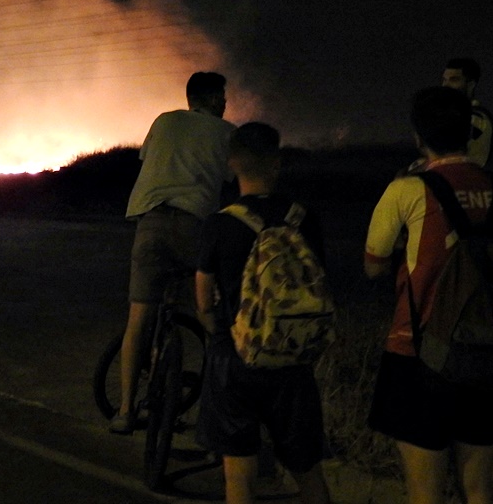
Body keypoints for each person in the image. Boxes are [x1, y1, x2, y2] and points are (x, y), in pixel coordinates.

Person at [365, 86, 493, 504]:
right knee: (479, 488)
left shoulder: (406, 189)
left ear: (418, 137)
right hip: (485, 350)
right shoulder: (490, 185)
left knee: (425, 493)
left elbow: (373, 264)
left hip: (418, 349)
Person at [194, 122, 331, 504]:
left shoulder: (220, 223)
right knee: (307, 470)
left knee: (239, 476)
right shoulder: (304, 218)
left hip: (236, 358)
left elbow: (204, 299)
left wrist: (220, 335)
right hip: (291, 359)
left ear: (232, 163)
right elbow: (319, 284)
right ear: (277, 163)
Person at [110, 71, 236, 434]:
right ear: (212, 100)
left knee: (140, 318)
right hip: (194, 226)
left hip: (150, 223)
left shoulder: (164, 121)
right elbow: (230, 180)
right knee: (211, 315)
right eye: (222, 97)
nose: (225, 103)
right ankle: (218, 408)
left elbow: (145, 158)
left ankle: (124, 411)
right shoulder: (226, 132)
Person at [442, 57, 491, 170]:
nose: (445, 85)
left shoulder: (476, 119)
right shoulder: (463, 117)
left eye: (454, 80)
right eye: (444, 79)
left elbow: (453, 160)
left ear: (471, 84)